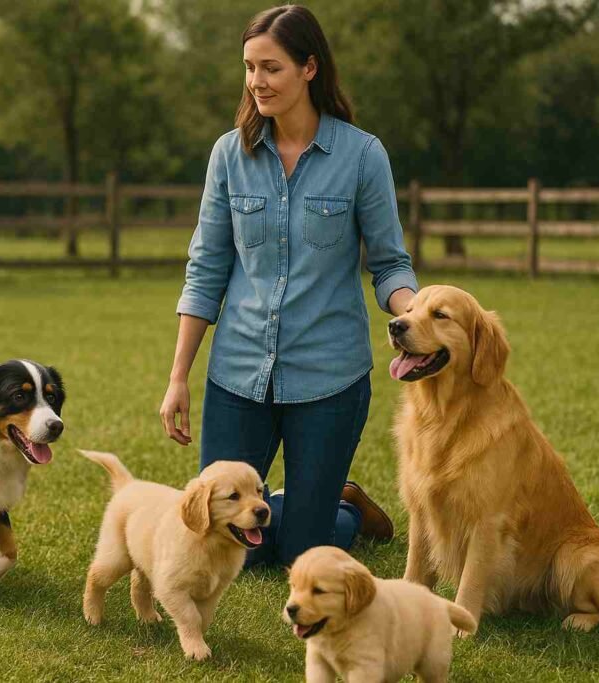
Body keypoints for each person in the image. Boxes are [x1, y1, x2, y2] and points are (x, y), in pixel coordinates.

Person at [159, 5, 418, 569]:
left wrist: (416, 309)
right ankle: (295, 503)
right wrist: (179, 377)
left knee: (303, 553)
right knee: (231, 541)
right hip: (238, 374)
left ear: (309, 68)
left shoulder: (362, 156)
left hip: (329, 379)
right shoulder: (229, 154)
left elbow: (389, 264)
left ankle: (342, 508)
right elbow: (206, 269)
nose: (257, 81)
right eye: (250, 68)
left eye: (271, 68)